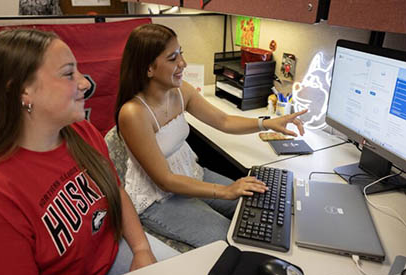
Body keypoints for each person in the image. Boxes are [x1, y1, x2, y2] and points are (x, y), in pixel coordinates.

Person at [0, 28, 178, 275]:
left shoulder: (81, 132)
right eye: (68, 73)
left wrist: (142, 249)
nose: (84, 83)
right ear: (23, 91)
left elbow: (116, 193)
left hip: (116, 257)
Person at [115, 23, 307, 248]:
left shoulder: (180, 91)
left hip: (192, 174)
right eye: (172, 58)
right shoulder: (133, 113)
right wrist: (225, 191)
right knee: (227, 237)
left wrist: (266, 123)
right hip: (158, 197)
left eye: (181, 54)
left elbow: (223, 121)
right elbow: (165, 180)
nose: (183, 64)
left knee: (259, 203)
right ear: (148, 68)